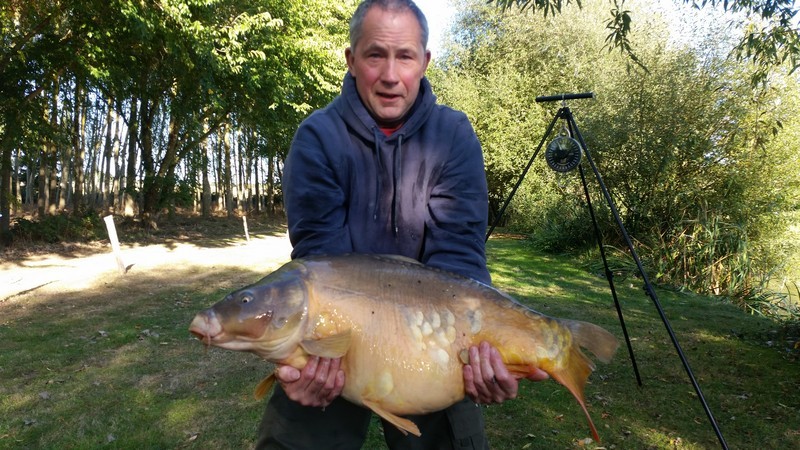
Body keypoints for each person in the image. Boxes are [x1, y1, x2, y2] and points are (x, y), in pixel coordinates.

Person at [257, 1, 547, 448]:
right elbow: (321, 264)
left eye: (405, 56)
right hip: (338, 331)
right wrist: (306, 355)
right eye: (375, 55)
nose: (390, 75)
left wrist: (478, 351)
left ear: (425, 62)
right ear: (352, 60)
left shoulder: (453, 136)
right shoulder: (318, 138)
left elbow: (459, 258)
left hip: (432, 332)